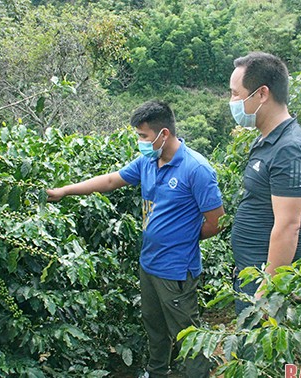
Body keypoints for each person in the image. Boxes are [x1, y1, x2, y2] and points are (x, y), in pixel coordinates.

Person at [46, 100, 224, 378]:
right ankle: (157, 373)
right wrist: (64, 191)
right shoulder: (148, 161)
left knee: (187, 336)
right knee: (154, 327)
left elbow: (216, 222)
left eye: (143, 136)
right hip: (149, 265)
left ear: (163, 134)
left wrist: (184, 239)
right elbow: (109, 181)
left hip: (176, 270)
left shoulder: (196, 169)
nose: (140, 142)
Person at [227, 52, 301, 314]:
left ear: (262, 94)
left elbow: (289, 226)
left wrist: (266, 293)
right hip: (250, 274)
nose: (231, 101)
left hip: (266, 284)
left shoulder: (290, 149)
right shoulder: (266, 140)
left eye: (235, 93)